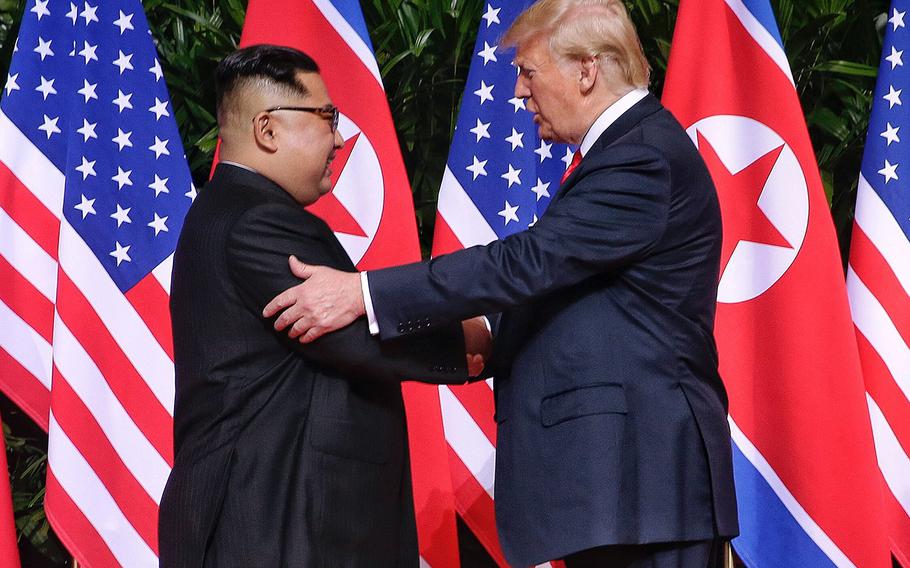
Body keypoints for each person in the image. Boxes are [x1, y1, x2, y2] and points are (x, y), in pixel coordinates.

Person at [263, 0, 740, 566]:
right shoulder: (626, 153)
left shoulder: (641, 160)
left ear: (587, 70)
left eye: (530, 72)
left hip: (645, 485)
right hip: (626, 489)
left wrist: (361, 293)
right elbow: (578, 295)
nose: (517, 91)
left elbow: (526, 263)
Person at [158, 44, 490, 567]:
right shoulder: (256, 220)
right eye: (326, 116)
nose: (339, 138)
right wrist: (475, 341)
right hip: (274, 526)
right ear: (267, 129)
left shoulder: (231, 211)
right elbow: (354, 335)